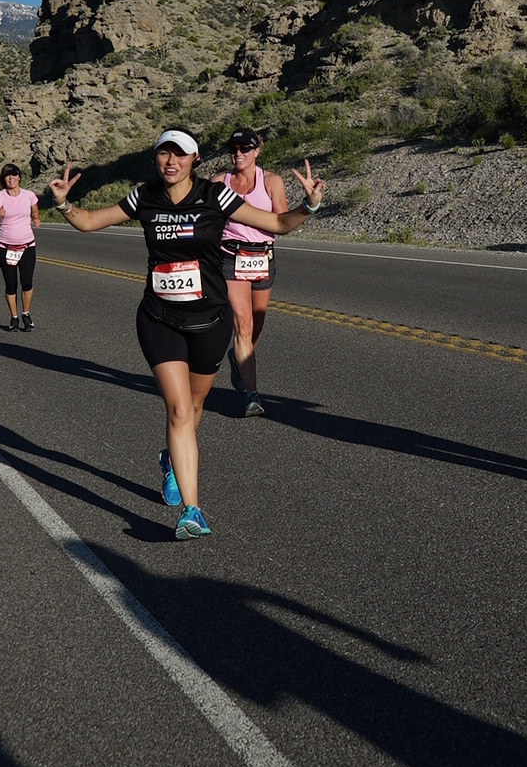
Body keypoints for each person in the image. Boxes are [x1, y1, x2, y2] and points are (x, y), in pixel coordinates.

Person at [48, 128, 324, 540]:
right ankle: (192, 511)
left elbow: (278, 223)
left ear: (195, 159)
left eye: (180, 154)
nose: (171, 161)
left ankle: (170, 458)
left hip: (210, 322)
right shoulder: (145, 196)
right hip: (159, 320)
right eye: (164, 154)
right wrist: (63, 203)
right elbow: (89, 222)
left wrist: (310, 205)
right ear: (156, 158)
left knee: (194, 407)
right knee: (178, 411)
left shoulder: (215, 196)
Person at [212, 127, 287, 417]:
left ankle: (238, 357)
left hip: (262, 257)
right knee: (243, 325)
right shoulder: (219, 182)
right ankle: (252, 395)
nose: (238, 153)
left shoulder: (271, 181)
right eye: (233, 149)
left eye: (245, 148)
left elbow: (283, 221)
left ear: (257, 150)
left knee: (256, 325)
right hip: (231, 257)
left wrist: (310, 204)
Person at [0, 163, 41, 331]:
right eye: (7, 175)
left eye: (14, 175)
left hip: (27, 245)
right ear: (3, 179)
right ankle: (14, 317)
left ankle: (26, 313)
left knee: (27, 282)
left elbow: (34, 211)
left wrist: (36, 218)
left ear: (19, 177)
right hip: (5, 247)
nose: (11, 178)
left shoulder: (29, 195)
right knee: (11, 284)